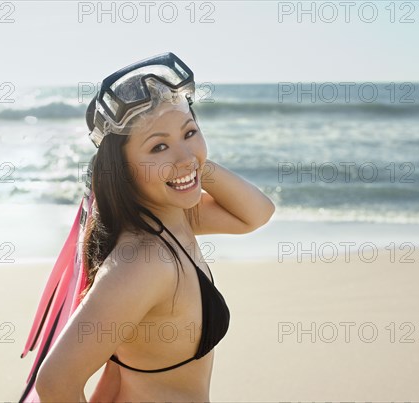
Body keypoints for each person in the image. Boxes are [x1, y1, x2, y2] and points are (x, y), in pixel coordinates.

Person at [26, 52, 275, 402]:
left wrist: (193, 166)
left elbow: (257, 214)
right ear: (123, 168)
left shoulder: (173, 217)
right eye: (158, 146)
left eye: (190, 132)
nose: (183, 154)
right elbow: (55, 381)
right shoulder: (144, 262)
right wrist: (186, 163)